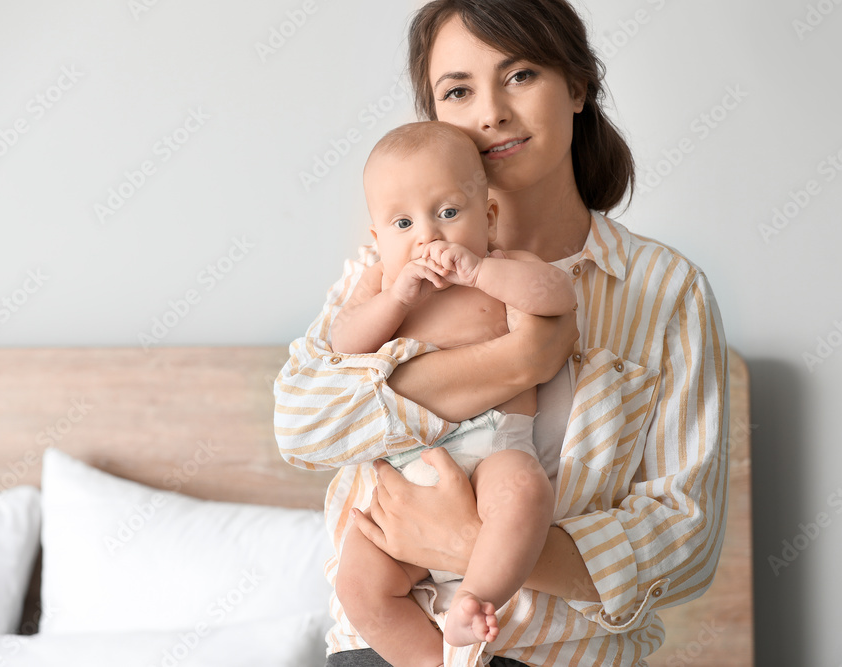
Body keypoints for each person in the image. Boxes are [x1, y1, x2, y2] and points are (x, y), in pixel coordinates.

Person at [274, 1, 729, 665]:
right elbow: (302, 426)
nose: (490, 113)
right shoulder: (381, 273)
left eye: (520, 76)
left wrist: (469, 544)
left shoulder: (665, 289)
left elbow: (685, 542)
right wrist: (517, 360)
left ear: (576, 86)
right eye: (458, 90)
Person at [331, 120, 576, 664]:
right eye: (402, 222)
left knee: (525, 494)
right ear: (377, 240)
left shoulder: (505, 268)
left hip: (495, 448)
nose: (428, 236)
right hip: (406, 471)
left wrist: (480, 270)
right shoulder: (376, 285)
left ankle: (475, 598)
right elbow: (343, 344)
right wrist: (395, 299)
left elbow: (557, 293)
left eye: (447, 213)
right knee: (358, 584)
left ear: (487, 217)